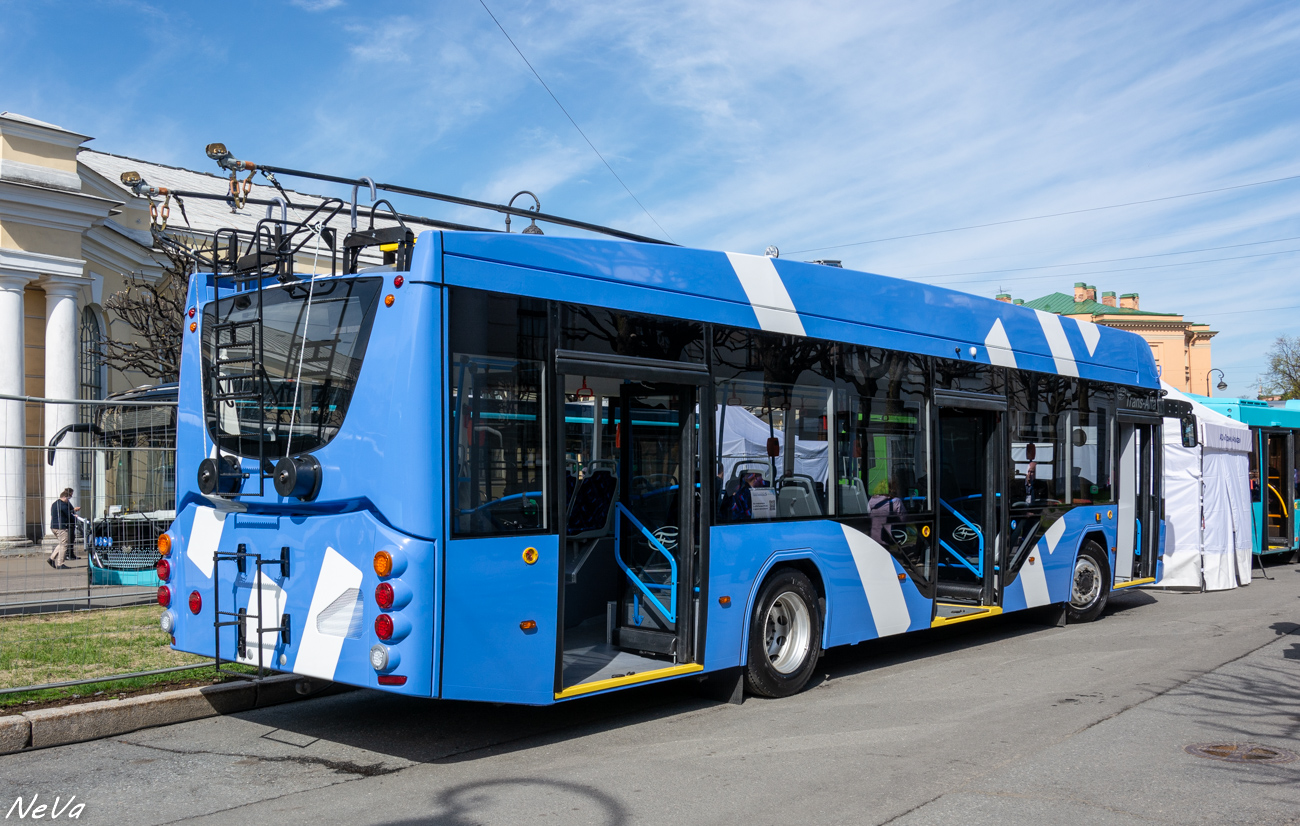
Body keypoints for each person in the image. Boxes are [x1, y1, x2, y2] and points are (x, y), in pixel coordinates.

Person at [48, 487, 79, 570]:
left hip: (53, 527)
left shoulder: (55, 504)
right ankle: (60, 564)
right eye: (68, 498)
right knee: (64, 545)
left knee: (62, 543)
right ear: (64, 497)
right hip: (61, 528)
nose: (68, 500)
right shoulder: (64, 505)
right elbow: (69, 516)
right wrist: (75, 518)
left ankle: (51, 559)